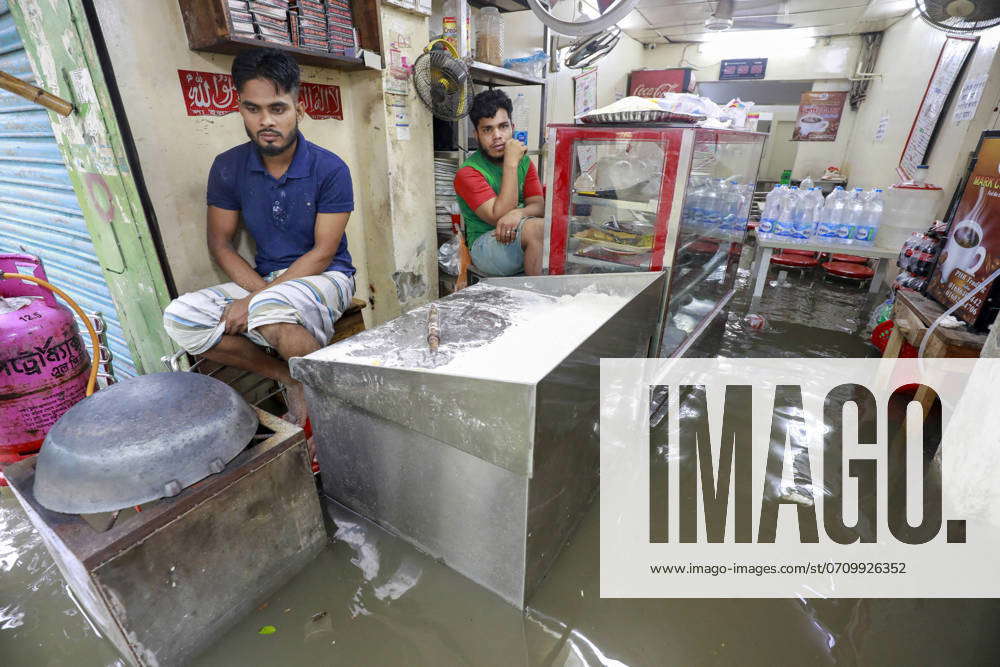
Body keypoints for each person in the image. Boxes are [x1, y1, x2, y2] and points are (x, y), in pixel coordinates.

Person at [163, 48, 355, 426]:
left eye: (278, 108)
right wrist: (257, 293)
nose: (266, 120)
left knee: (269, 310)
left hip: (327, 274)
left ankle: (330, 413)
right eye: (253, 109)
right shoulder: (228, 166)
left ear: (299, 107)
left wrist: (256, 300)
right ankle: (291, 380)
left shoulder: (330, 168)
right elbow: (220, 244)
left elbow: (323, 252)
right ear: (240, 107)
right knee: (181, 317)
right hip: (265, 279)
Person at [454, 90, 545, 276]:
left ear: (513, 127)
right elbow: (498, 216)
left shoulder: (525, 162)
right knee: (538, 229)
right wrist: (510, 164)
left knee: (559, 229)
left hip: (519, 233)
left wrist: (518, 213)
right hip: (485, 244)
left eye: (503, 126)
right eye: (487, 129)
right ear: (477, 135)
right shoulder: (468, 173)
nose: (497, 136)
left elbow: (539, 206)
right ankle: (536, 298)